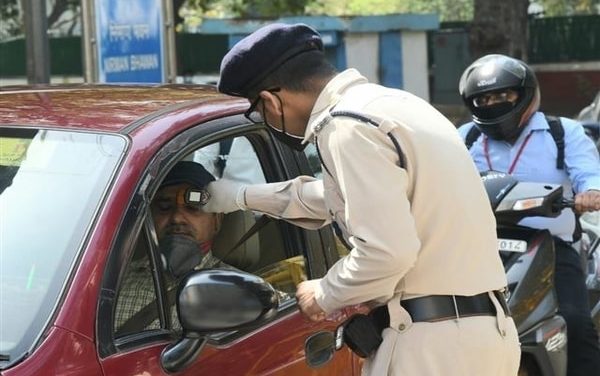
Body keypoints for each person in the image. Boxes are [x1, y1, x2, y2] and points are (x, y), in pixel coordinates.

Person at [205, 23, 520, 375]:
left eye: (259, 112)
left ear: (271, 100)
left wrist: (324, 292)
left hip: (432, 348)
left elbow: (386, 253)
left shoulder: (347, 127)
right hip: (486, 335)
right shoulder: (396, 105)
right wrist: (238, 196)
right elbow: (337, 198)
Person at [457, 54, 600, 376]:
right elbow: (438, 179)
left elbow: (589, 173)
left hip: (552, 244)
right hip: (477, 246)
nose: (493, 103)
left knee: (576, 322)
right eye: (484, 98)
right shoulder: (464, 137)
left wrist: (591, 192)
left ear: (526, 94)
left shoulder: (563, 132)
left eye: (503, 95)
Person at [115, 161, 231, 332]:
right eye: (164, 207)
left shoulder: (237, 288)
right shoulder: (114, 282)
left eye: (193, 208)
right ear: (148, 218)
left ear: (216, 221)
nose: (177, 217)